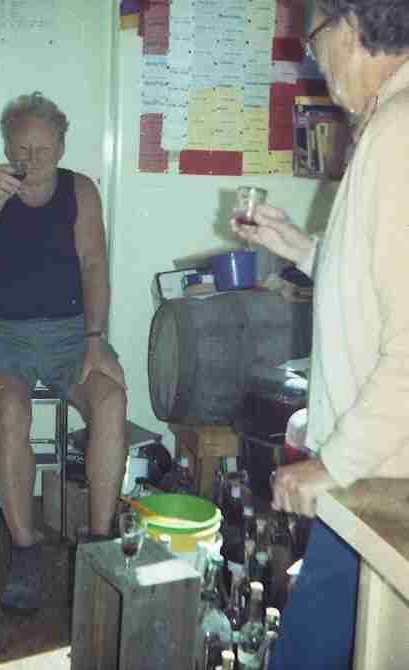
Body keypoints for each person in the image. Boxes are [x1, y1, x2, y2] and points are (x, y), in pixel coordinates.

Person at [232, 1, 409, 667]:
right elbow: (376, 284)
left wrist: (332, 464)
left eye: (313, 41)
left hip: (379, 478)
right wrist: (301, 247)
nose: (313, 61)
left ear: (351, 26)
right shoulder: (388, 123)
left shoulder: (398, 131)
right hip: (373, 467)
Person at [0, 92, 127, 612]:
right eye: (23, 149)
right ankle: (26, 548)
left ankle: (99, 543)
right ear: (7, 147)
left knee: (111, 400)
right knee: (10, 408)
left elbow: (94, 264)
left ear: (62, 146)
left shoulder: (80, 189)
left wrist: (95, 338)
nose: (34, 160)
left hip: (69, 331)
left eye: (45, 149)